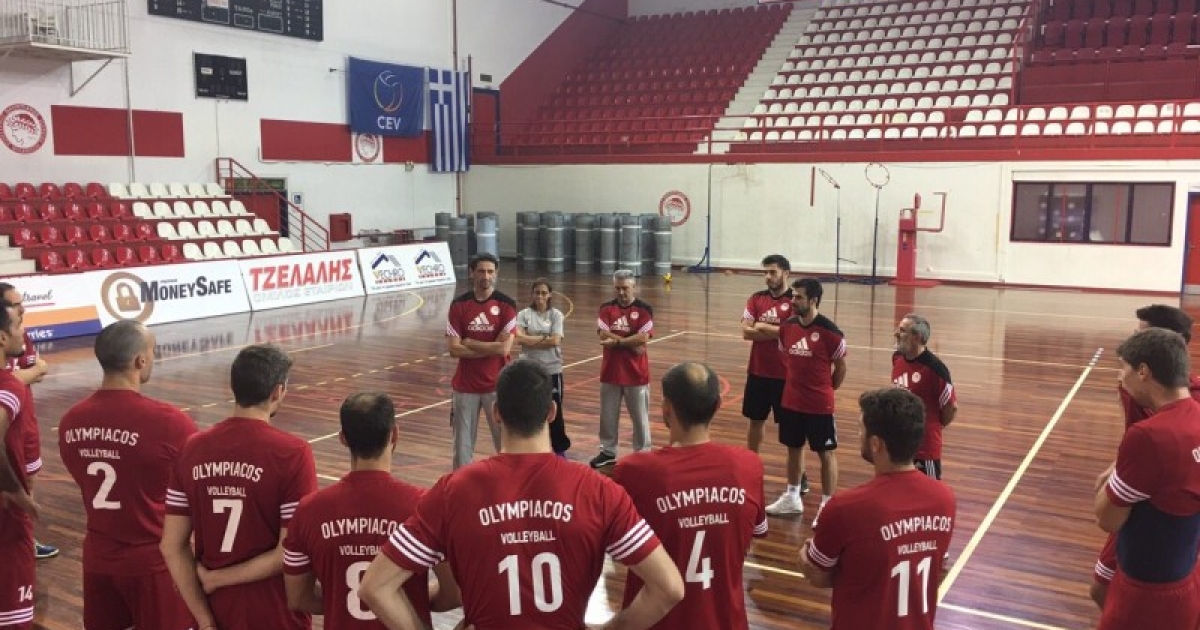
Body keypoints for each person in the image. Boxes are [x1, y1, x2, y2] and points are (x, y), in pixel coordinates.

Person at [359, 359, 684, 630]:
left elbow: (375, 587)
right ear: (552, 412)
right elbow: (669, 588)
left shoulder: (452, 491)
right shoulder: (598, 490)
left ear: (496, 413)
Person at [162, 344, 318, 630]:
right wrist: (217, 578)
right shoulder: (292, 453)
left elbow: (171, 546)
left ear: (233, 387)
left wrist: (205, 620)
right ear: (278, 392)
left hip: (214, 610)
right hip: (274, 614)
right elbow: (288, 552)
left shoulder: (191, 448)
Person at [58, 320, 198, 629]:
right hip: (154, 565)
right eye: (152, 351)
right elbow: (197, 488)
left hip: (98, 561)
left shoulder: (71, 421)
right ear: (140, 360)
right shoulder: (169, 422)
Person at [283, 392, 460, 627]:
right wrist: (400, 601)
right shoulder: (424, 506)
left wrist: (342, 600)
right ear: (394, 434)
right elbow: (454, 593)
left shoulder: (308, 511)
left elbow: (297, 598)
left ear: (343, 439)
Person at [612, 362, 767, 630]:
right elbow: (756, 532)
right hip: (726, 622)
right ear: (718, 405)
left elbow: (617, 553)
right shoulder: (749, 466)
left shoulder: (633, 471)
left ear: (666, 408)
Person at [799, 388, 956, 630]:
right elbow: (938, 568)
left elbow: (817, 574)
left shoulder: (844, 508)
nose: (858, 434)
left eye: (861, 429)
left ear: (876, 444)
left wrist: (804, 555)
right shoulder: (944, 499)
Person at [1091, 304, 1200, 608]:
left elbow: (1106, 518)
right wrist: (1120, 465)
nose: (1133, 340)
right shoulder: (1137, 391)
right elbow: (1138, 439)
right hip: (1139, 486)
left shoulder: (1182, 404)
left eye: (1141, 334)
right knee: (1102, 588)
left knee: (1111, 591)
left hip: (1162, 519)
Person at [766, 278, 846, 519]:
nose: (793, 301)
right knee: (793, 448)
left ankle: (827, 505)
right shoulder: (787, 327)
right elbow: (786, 358)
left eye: (799, 297)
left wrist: (826, 390)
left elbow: (840, 368)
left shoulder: (831, 333)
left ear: (813, 300)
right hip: (791, 401)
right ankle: (792, 497)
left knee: (825, 453)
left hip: (819, 405)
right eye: (793, 296)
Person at [740, 254, 807, 493]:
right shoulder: (756, 298)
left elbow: (794, 333)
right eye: (765, 272)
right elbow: (746, 332)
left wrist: (761, 326)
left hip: (786, 376)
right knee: (755, 422)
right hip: (758, 373)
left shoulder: (795, 301)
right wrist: (777, 331)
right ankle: (751, 467)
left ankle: (800, 476)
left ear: (786, 273)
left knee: (791, 429)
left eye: (773, 272)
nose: (768, 277)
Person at [446, 252, 517, 469]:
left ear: (496, 274)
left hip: (498, 387)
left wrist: (470, 342)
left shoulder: (507, 305)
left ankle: (509, 484)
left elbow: (503, 349)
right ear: (472, 273)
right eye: (481, 271)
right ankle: (461, 486)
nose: (486, 276)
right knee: (462, 450)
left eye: (490, 271)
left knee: (505, 446)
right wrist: (491, 347)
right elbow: (454, 349)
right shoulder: (458, 305)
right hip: (464, 387)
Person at [0, 283, 55, 560]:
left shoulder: (21, 335)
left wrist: (30, 373)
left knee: (28, 479)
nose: (22, 308)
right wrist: (27, 375)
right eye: (14, 304)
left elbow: (37, 372)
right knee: (11, 484)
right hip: (10, 421)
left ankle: (26, 539)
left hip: (26, 421)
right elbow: (25, 375)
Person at [591, 269, 655, 469]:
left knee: (640, 417)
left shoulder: (644, 309)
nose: (621, 292)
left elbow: (643, 338)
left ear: (634, 287)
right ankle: (608, 451)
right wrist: (629, 342)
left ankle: (643, 453)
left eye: (625, 288)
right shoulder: (606, 308)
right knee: (607, 416)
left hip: (636, 374)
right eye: (617, 288)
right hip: (610, 372)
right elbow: (603, 334)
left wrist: (617, 341)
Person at [0, 302, 38, 628]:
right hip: (6, 521)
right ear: (2, 337)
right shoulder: (10, 385)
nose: (22, 332)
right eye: (18, 325)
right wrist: (15, 490)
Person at [891, 314, 958, 480]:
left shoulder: (936, 369)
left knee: (929, 491)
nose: (896, 334)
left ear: (917, 337)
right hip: (901, 444)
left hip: (925, 449)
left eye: (902, 331)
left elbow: (951, 407)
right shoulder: (897, 358)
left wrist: (931, 426)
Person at [514, 279, 571, 456]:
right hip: (529, 370)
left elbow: (555, 340)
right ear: (532, 294)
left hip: (551, 369)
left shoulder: (556, 315)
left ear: (550, 295)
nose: (540, 296)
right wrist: (544, 338)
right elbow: (518, 338)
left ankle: (559, 449)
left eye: (544, 293)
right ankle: (533, 448)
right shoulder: (524, 314)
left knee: (555, 409)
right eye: (537, 292)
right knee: (530, 409)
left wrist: (530, 337)